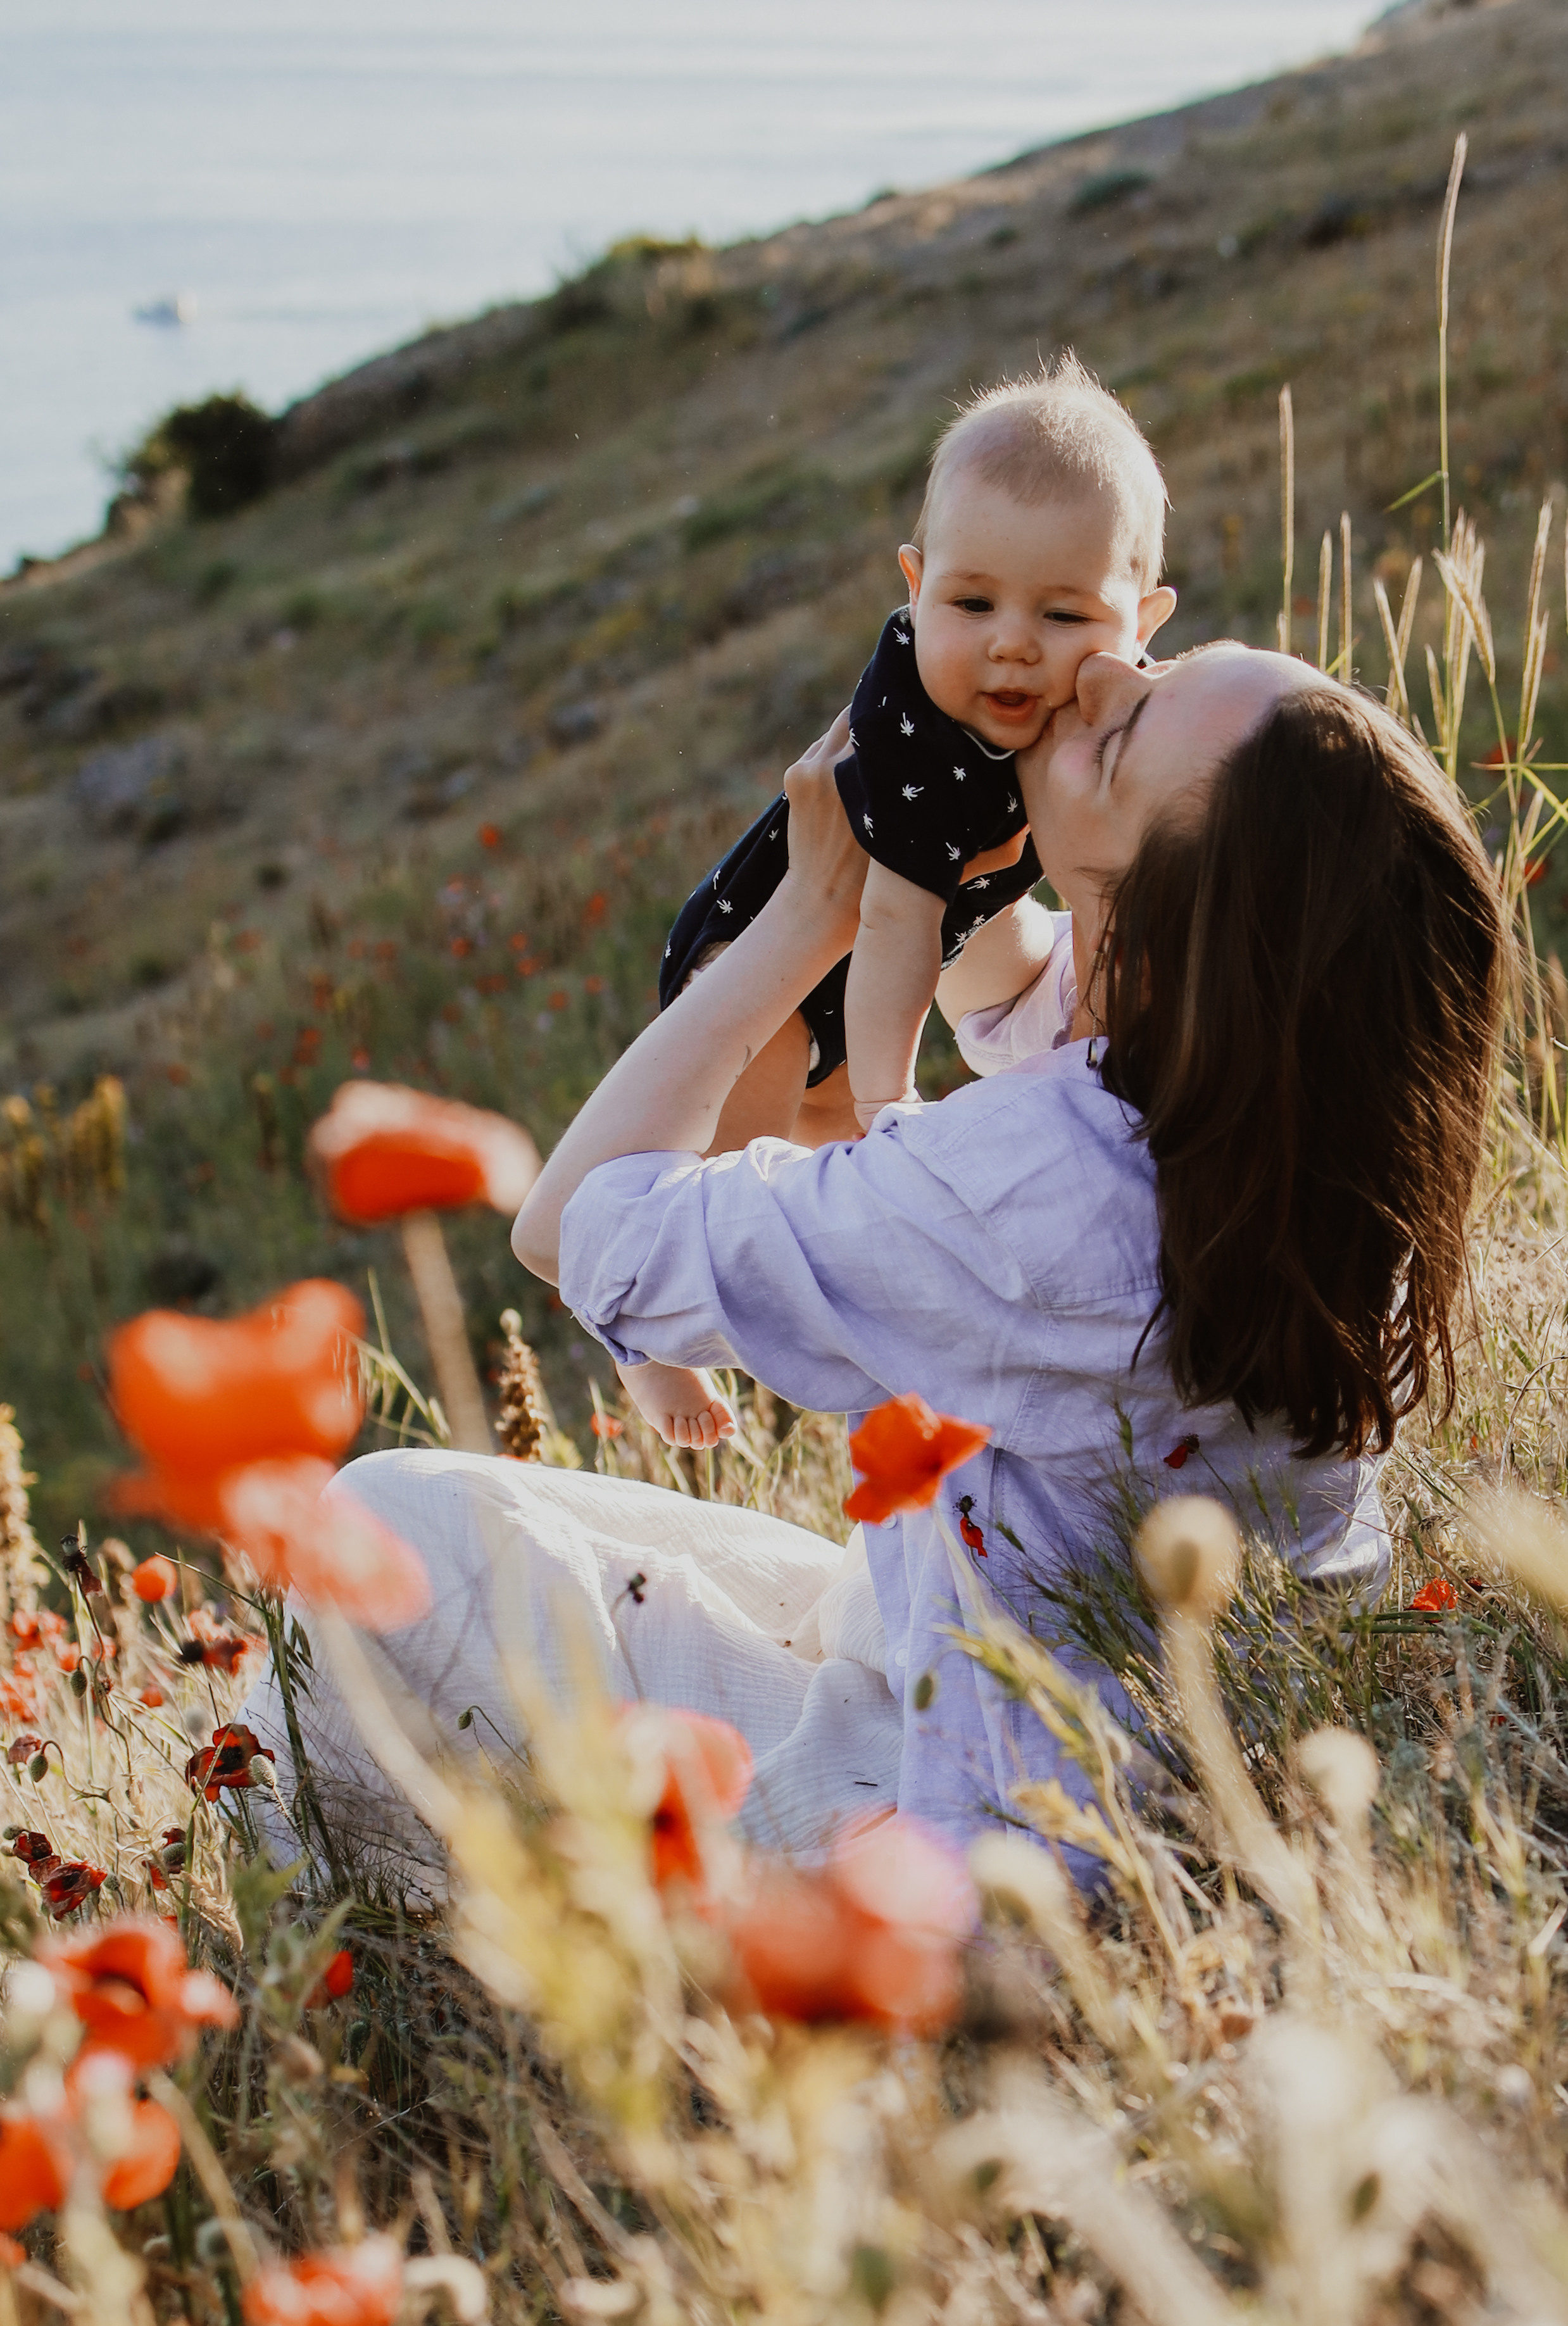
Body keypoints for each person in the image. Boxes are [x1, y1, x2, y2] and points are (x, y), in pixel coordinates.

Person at [241, 642, 1503, 1888]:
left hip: (941, 1822)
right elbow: (1016, 976)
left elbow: (578, 1228)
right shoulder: (1286, 1122)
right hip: (1029, 1699)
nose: (1105, 671)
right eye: (1163, 660)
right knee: (476, 1539)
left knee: (367, 1541)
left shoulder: (1034, 1191)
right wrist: (935, 815)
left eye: (1121, 734)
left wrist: (801, 914)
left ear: (1166, 946)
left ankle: (473, 1927)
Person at [623, 357, 1177, 1450]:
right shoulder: (923, 734)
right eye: (969, 603)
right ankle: (643, 1334)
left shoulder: (1089, 700)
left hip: (905, 956)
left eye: (1062, 612)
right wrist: (889, 1101)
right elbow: (892, 926)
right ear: (915, 582)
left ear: (1141, 618)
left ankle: (858, 1357)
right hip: (772, 962)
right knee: (726, 1173)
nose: (1011, 642)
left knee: (821, 1178)